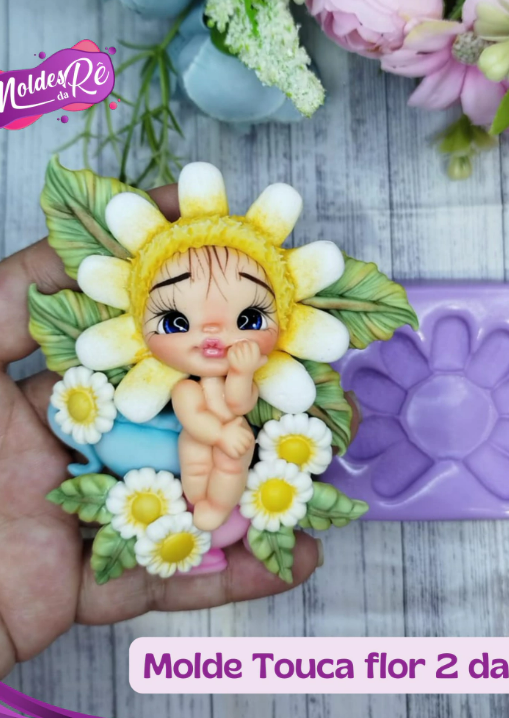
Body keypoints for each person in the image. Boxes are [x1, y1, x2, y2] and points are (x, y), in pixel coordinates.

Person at [0, 182, 334, 681]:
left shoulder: (233, 377)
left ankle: (212, 522)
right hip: (198, 456)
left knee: (230, 482)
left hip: (232, 454)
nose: (213, 335)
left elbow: (241, 403)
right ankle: (207, 517)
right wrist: (219, 435)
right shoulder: (179, 387)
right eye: (177, 321)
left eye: (248, 318)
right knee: (213, 482)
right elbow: (195, 416)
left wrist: (244, 373)